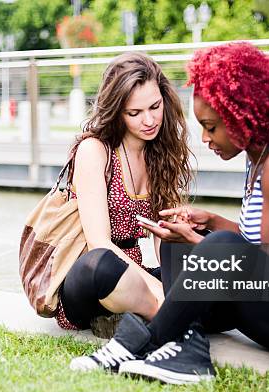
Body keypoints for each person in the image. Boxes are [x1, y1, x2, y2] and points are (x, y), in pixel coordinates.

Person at [69, 43, 269, 384]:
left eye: (211, 126)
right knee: (182, 243)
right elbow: (268, 251)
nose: (203, 137)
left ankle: (142, 343)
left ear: (240, 117)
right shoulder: (261, 159)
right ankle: (182, 348)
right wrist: (211, 226)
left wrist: (208, 244)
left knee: (213, 246)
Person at [55, 52, 193, 337]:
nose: (149, 120)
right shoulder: (95, 150)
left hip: (135, 277)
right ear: (117, 111)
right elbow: (99, 243)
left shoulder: (160, 152)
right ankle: (171, 318)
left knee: (199, 271)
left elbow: (163, 234)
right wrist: (158, 288)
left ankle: (162, 309)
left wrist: (172, 277)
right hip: (90, 276)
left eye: (155, 107)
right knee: (103, 265)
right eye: (135, 113)